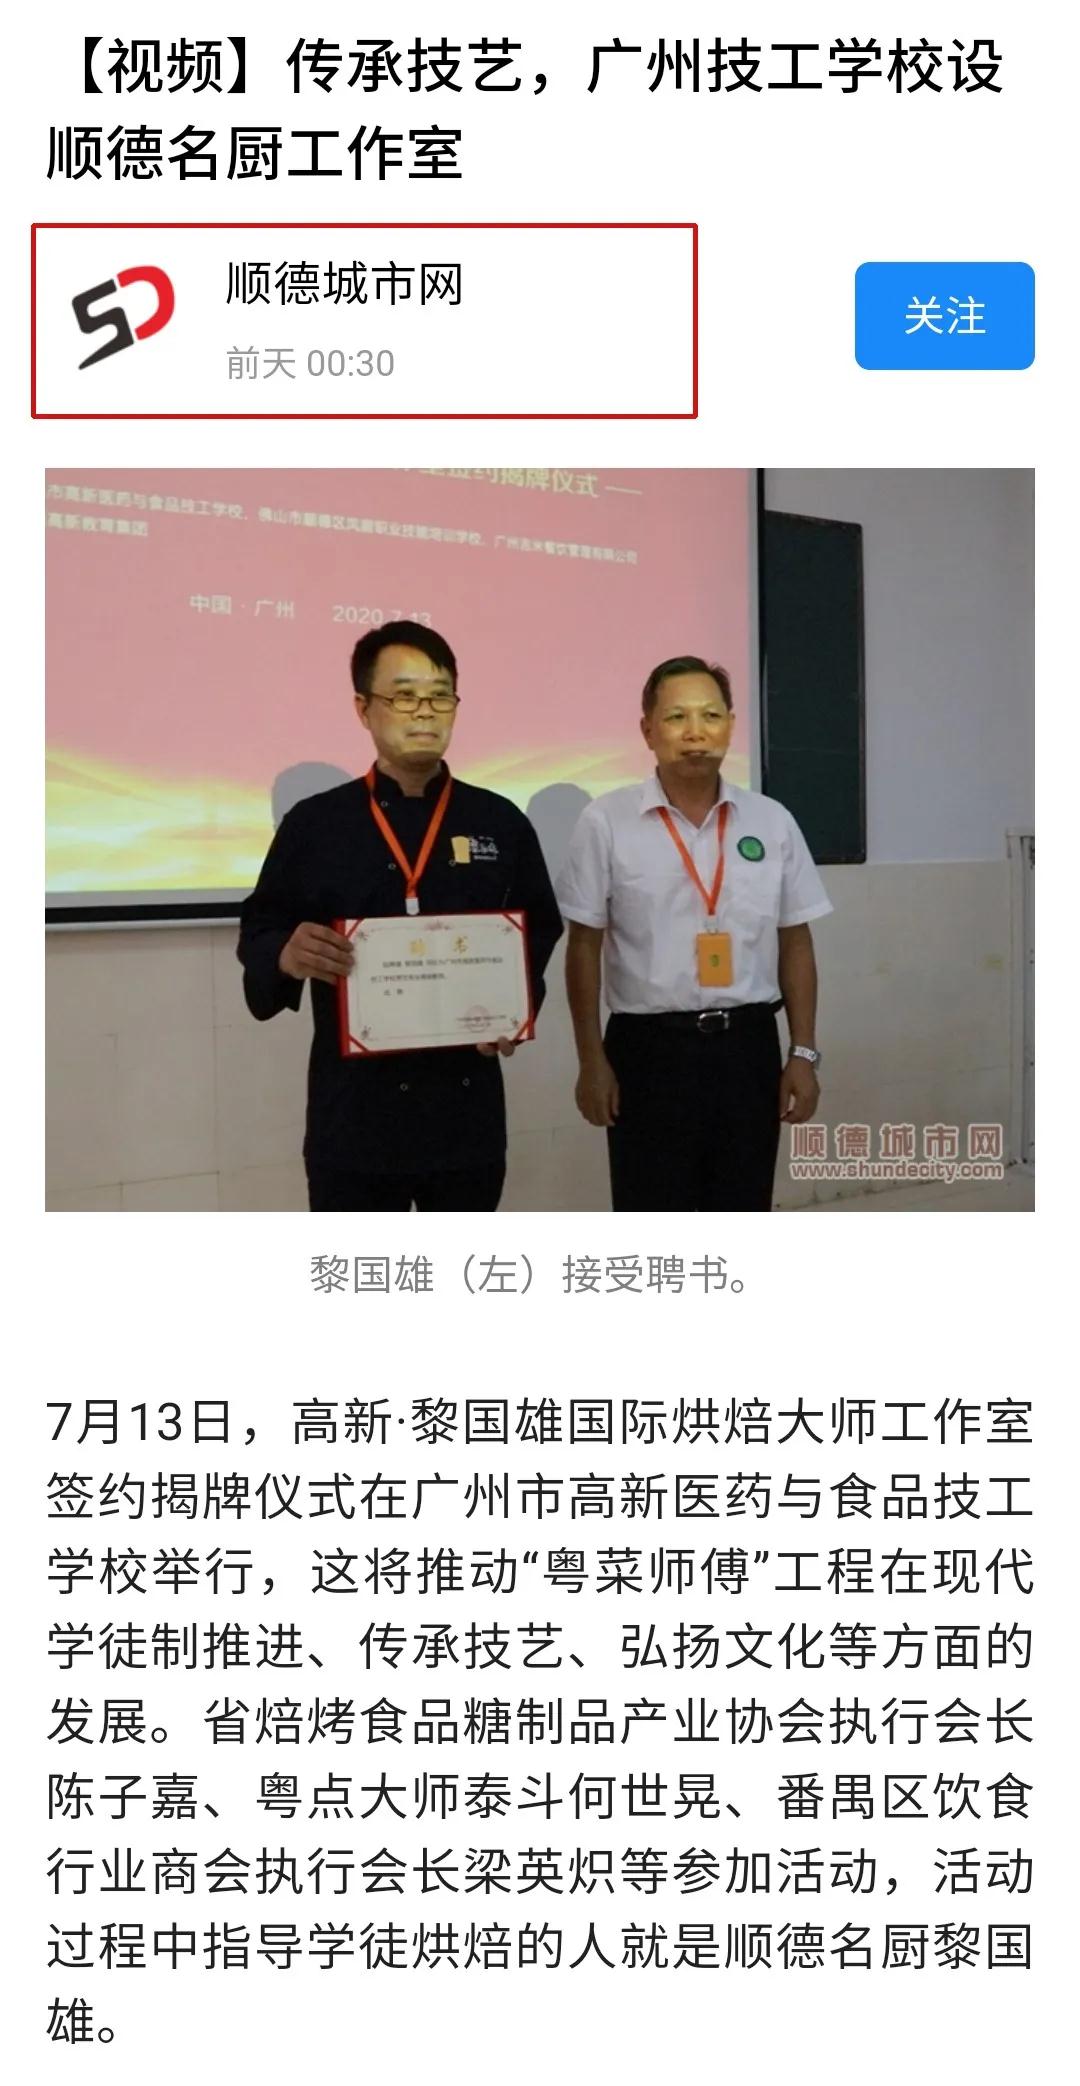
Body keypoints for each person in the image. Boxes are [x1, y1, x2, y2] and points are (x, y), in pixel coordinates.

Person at [238, 621, 563, 1211]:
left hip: (465, 1113)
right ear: (364, 709)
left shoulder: (500, 822)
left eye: (440, 696)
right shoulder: (315, 824)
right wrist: (286, 954)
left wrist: (515, 1006)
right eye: (404, 696)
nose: (425, 712)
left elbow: (540, 928)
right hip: (353, 1118)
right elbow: (260, 928)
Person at [556, 655, 832, 1211]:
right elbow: (584, 946)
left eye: (710, 715)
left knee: (743, 1204)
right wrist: (591, 1060)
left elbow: (796, 941)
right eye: (676, 716)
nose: (695, 731)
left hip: (748, 1048)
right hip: (648, 1052)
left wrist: (802, 1052)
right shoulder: (606, 822)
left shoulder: (771, 820)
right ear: (647, 730)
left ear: (731, 725)